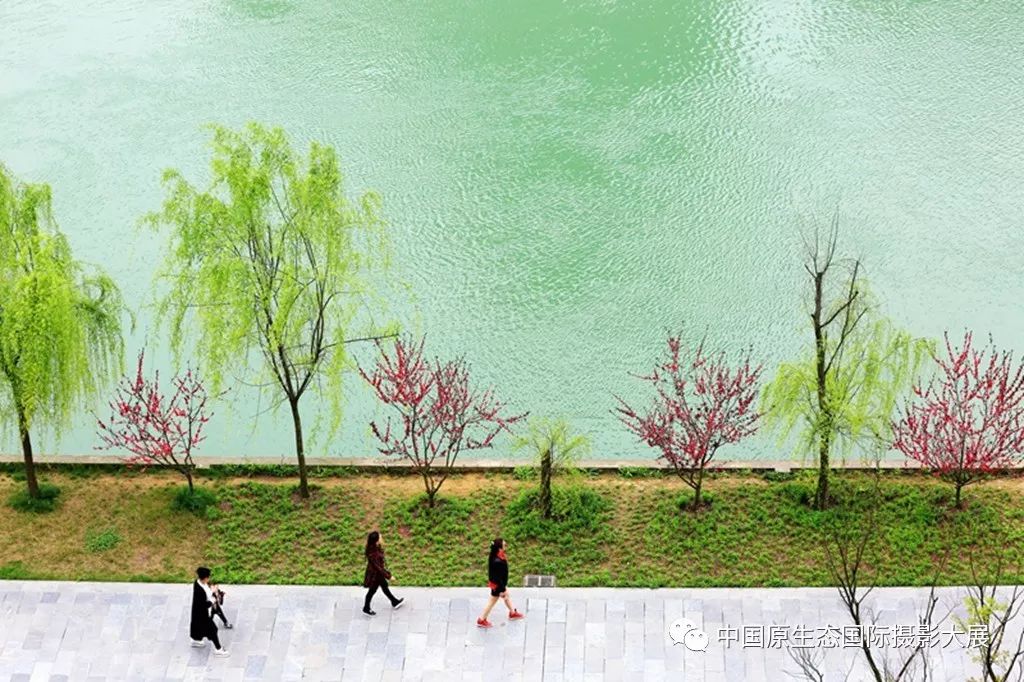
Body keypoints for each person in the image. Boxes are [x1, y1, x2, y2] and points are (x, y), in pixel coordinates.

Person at [476, 538, 524, 628]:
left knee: (506, 597)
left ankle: (512, 613)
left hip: (499, 584)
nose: (505, 545)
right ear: (499, 547)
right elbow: (497, 578)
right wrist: (502, 589)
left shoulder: (495, 555)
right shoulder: (497, 561)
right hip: (498, 585)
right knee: (492, 601)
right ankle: (481, 619)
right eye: (504, 544)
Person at [190, 566, 229, 656]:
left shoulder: (198, 582)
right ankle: (218, 649)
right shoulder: (199, 591)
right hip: (202, 614)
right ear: (205, 578)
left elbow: (208, 592)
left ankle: (196, 640)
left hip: (198, 613)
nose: (209, 579)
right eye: (208, 577)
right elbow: (203, 605)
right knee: (213, 629)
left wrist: (213, 591)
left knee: (197, 627)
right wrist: (212, 601)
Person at [363, 531, 404, 616]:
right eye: (380, 537)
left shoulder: (374, 548)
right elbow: (379, 568)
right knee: (372, 591)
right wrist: (389, 576)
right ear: (376, 540)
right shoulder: (374, 554)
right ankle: (366, 608)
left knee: (384, 586)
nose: (382, 538)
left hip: (377, 574)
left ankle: (394, 601)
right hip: (376, 575)